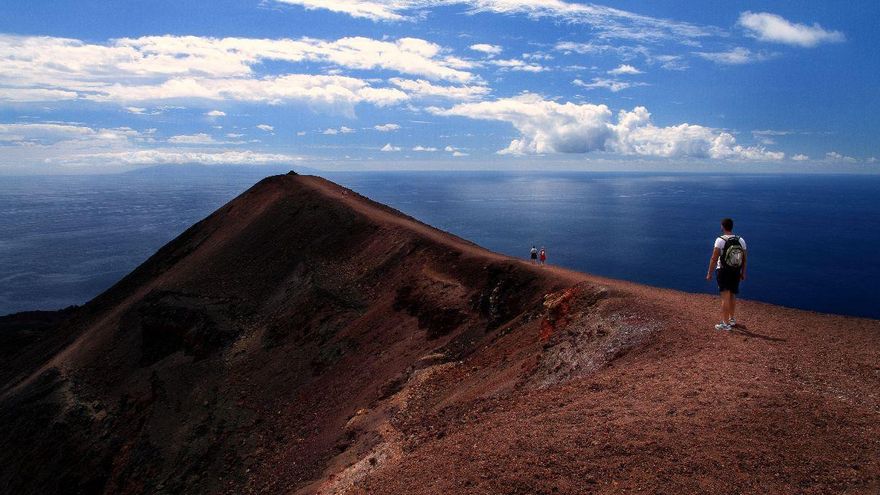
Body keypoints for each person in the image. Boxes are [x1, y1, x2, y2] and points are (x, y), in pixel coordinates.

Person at [706, 218, 747, 331]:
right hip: (736, 271)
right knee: (733, 295)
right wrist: (743, 273)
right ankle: (732, 320)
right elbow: (744, 259)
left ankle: (725, 324)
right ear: (732, 226)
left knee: (725, 296)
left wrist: (709, 273)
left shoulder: (720, 240)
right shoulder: (741, 240)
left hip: (723, 271)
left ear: (722, 226)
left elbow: (714, 259)